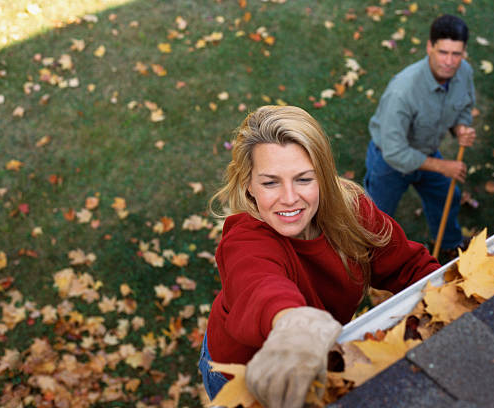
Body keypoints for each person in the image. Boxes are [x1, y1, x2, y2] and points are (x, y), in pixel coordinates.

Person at [198, 105, 440, 407]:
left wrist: (446, 302)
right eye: (270, 182)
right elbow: (259, 285)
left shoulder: (352, 211)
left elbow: (409, 265)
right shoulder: (245, 239)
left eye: (303, 179)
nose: (289, 198)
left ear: (324, 176)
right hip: (242, 374)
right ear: (248, 184)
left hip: (315, 361)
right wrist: (296, 326)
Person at [363, 14, 477, 258]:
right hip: (389, 162)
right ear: (429, 47)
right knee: (375, 221)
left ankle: (449, 243)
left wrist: (461, 128)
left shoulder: (464, 72)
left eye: (456, 54)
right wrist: (442, 166)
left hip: (425, 150)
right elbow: (395, 151)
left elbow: (465, 107)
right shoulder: (402, 92)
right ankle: (367, 262)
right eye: (442, 52)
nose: (449, 62)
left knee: (449, 195)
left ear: (464, 52)